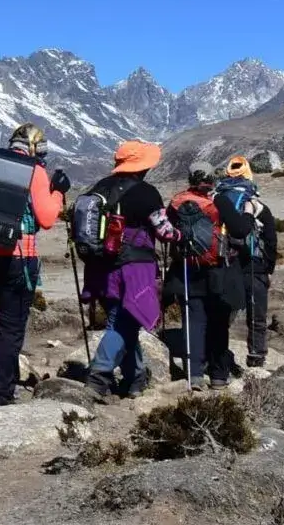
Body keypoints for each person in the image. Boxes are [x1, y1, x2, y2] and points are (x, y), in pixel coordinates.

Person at [0, 122, 69, 407]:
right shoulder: (33, 170)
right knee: (11, 326)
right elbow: (47, 218)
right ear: (35, 147)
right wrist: (58, 192)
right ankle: (1, 393)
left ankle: (3, 383)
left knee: (5, 320)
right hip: (18, 255)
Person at [79, 141, 181, 402]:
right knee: (123, 323)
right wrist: (182, 234)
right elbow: (164, 231)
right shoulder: (146, 193)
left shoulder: (100, 187)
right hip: (134, 267)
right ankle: (98, 376)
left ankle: (135, 379)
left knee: (125, 321)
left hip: (101, 267)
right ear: (143, 166)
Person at [165, 169, 255, 391]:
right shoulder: (219, 200)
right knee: (218, 324)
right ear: (212, 180)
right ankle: (218, 376)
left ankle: (194, 374)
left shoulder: (177, 202)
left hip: (187, 270)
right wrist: (249, 212)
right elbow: (241, 229)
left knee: (194, 322)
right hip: (217, 270)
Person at [217, 158, 278, 368]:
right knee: (257, 313)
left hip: (226, 261)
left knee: (224, 312)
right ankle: (256, 355)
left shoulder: (219, 200)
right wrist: (269, 268)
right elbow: (270, 239)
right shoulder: (257, 205)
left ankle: (218, 355)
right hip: (255, 264)